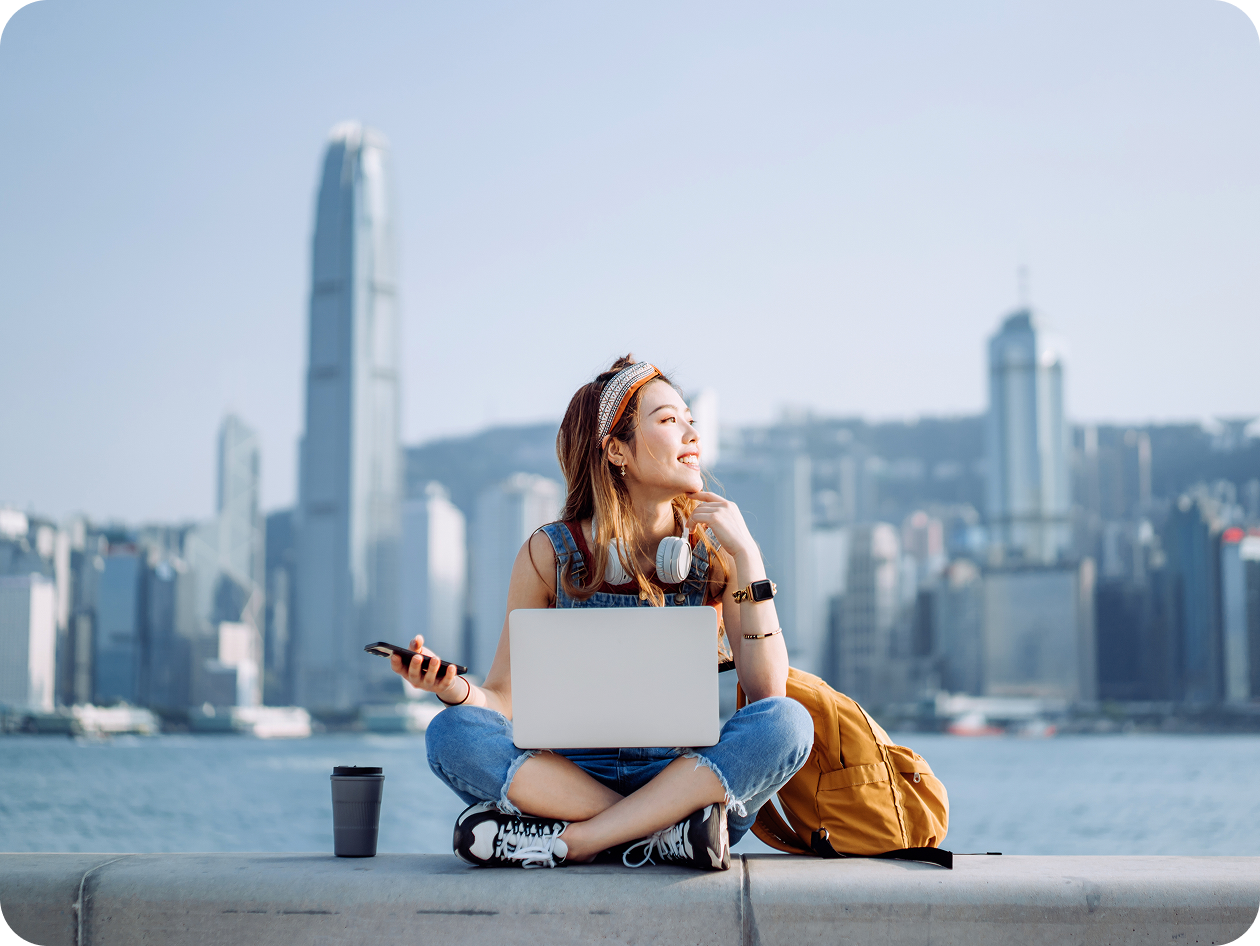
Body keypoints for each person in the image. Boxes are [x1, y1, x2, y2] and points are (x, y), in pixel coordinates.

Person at [394, 356, 813, 870]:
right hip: (567, 781)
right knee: (450, 733)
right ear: (617, 450)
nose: (692, 434)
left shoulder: (716, 551)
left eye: (690, 420)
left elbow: (767, 691)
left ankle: (577, 841)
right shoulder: (550, 553)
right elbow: (502, 698)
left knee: (787, 723)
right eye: (669, 420)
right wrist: (454, 691)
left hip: (681, 778)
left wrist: (748, 557)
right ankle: (665, 837)